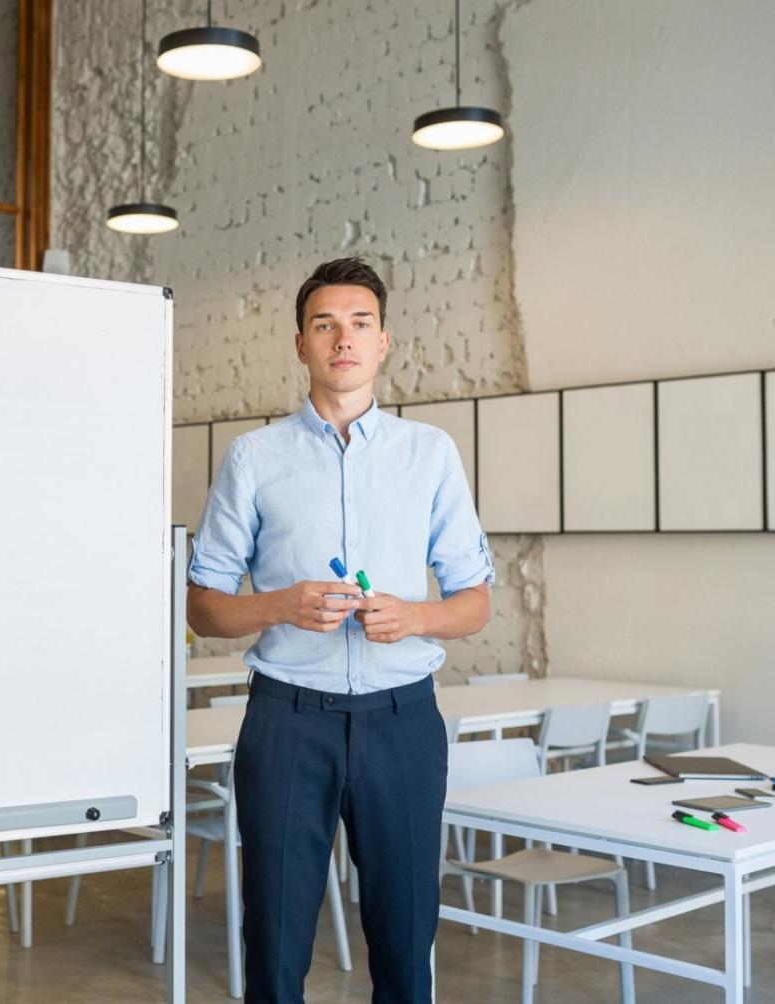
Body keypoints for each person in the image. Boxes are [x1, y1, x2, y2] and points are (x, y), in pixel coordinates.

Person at [186, 256, 494, 1003]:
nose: (342, 339)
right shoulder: (253, 458)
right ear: (301, 345)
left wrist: (416, 616)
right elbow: (201, 606)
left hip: (401, 719)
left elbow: (474, 601)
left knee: (404, 936)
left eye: (359, 324)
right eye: (324, 325)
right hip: (288, 721)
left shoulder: (431, 455)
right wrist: (279, 605)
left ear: (382, 343)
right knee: (275, 938)